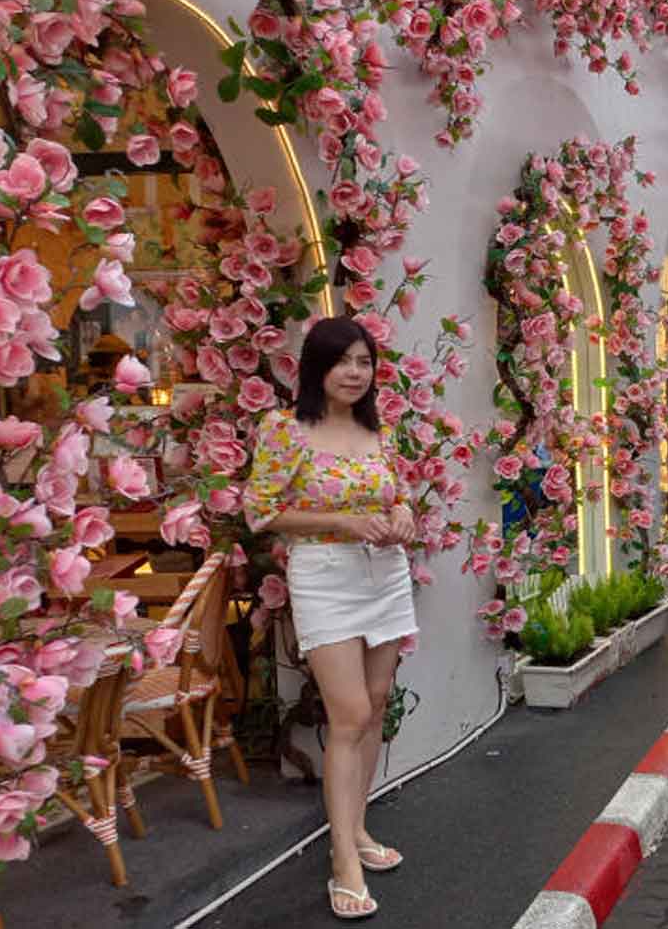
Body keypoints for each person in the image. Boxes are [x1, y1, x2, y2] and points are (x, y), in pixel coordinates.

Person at [245, 316, 418, 920]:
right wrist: (339, 524)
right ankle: (342, 857)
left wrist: (403, 519)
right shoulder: (286, 430)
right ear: (317, 367)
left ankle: (360, 828)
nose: (354, 372)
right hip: (324, 576)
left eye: (364, 362)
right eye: (343, 361)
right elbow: (259, 510)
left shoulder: (380, 431)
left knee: (374, 703)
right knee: (347, 713)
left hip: (385, 575)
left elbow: (397, 498)